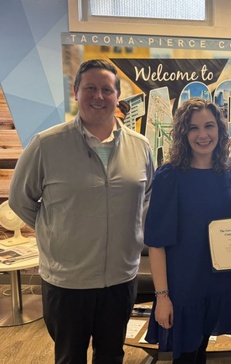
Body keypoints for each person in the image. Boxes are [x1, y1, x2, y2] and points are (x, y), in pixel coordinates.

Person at [8, 59, 155, 363]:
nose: (98, 96)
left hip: (121, 279)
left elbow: (146, 199)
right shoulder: (46, 145)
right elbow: (20, 200)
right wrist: (57, 231)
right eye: (90, 88)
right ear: (76, 92)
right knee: (69, 357)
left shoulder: (141, 147)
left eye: (106, 89)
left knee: (112, 355)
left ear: (117, 97)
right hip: (67, 282)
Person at [144, 98, 231, 363]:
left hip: (216, 284)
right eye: (193, 128)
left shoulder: (228, 173)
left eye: (209, 126)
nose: (203, 135)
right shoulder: (169, 176)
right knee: (184, 357)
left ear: (220, 130)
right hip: (182, 288)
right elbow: (156, 243)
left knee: (201, 354)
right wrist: (162, 297)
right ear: (183, 134)